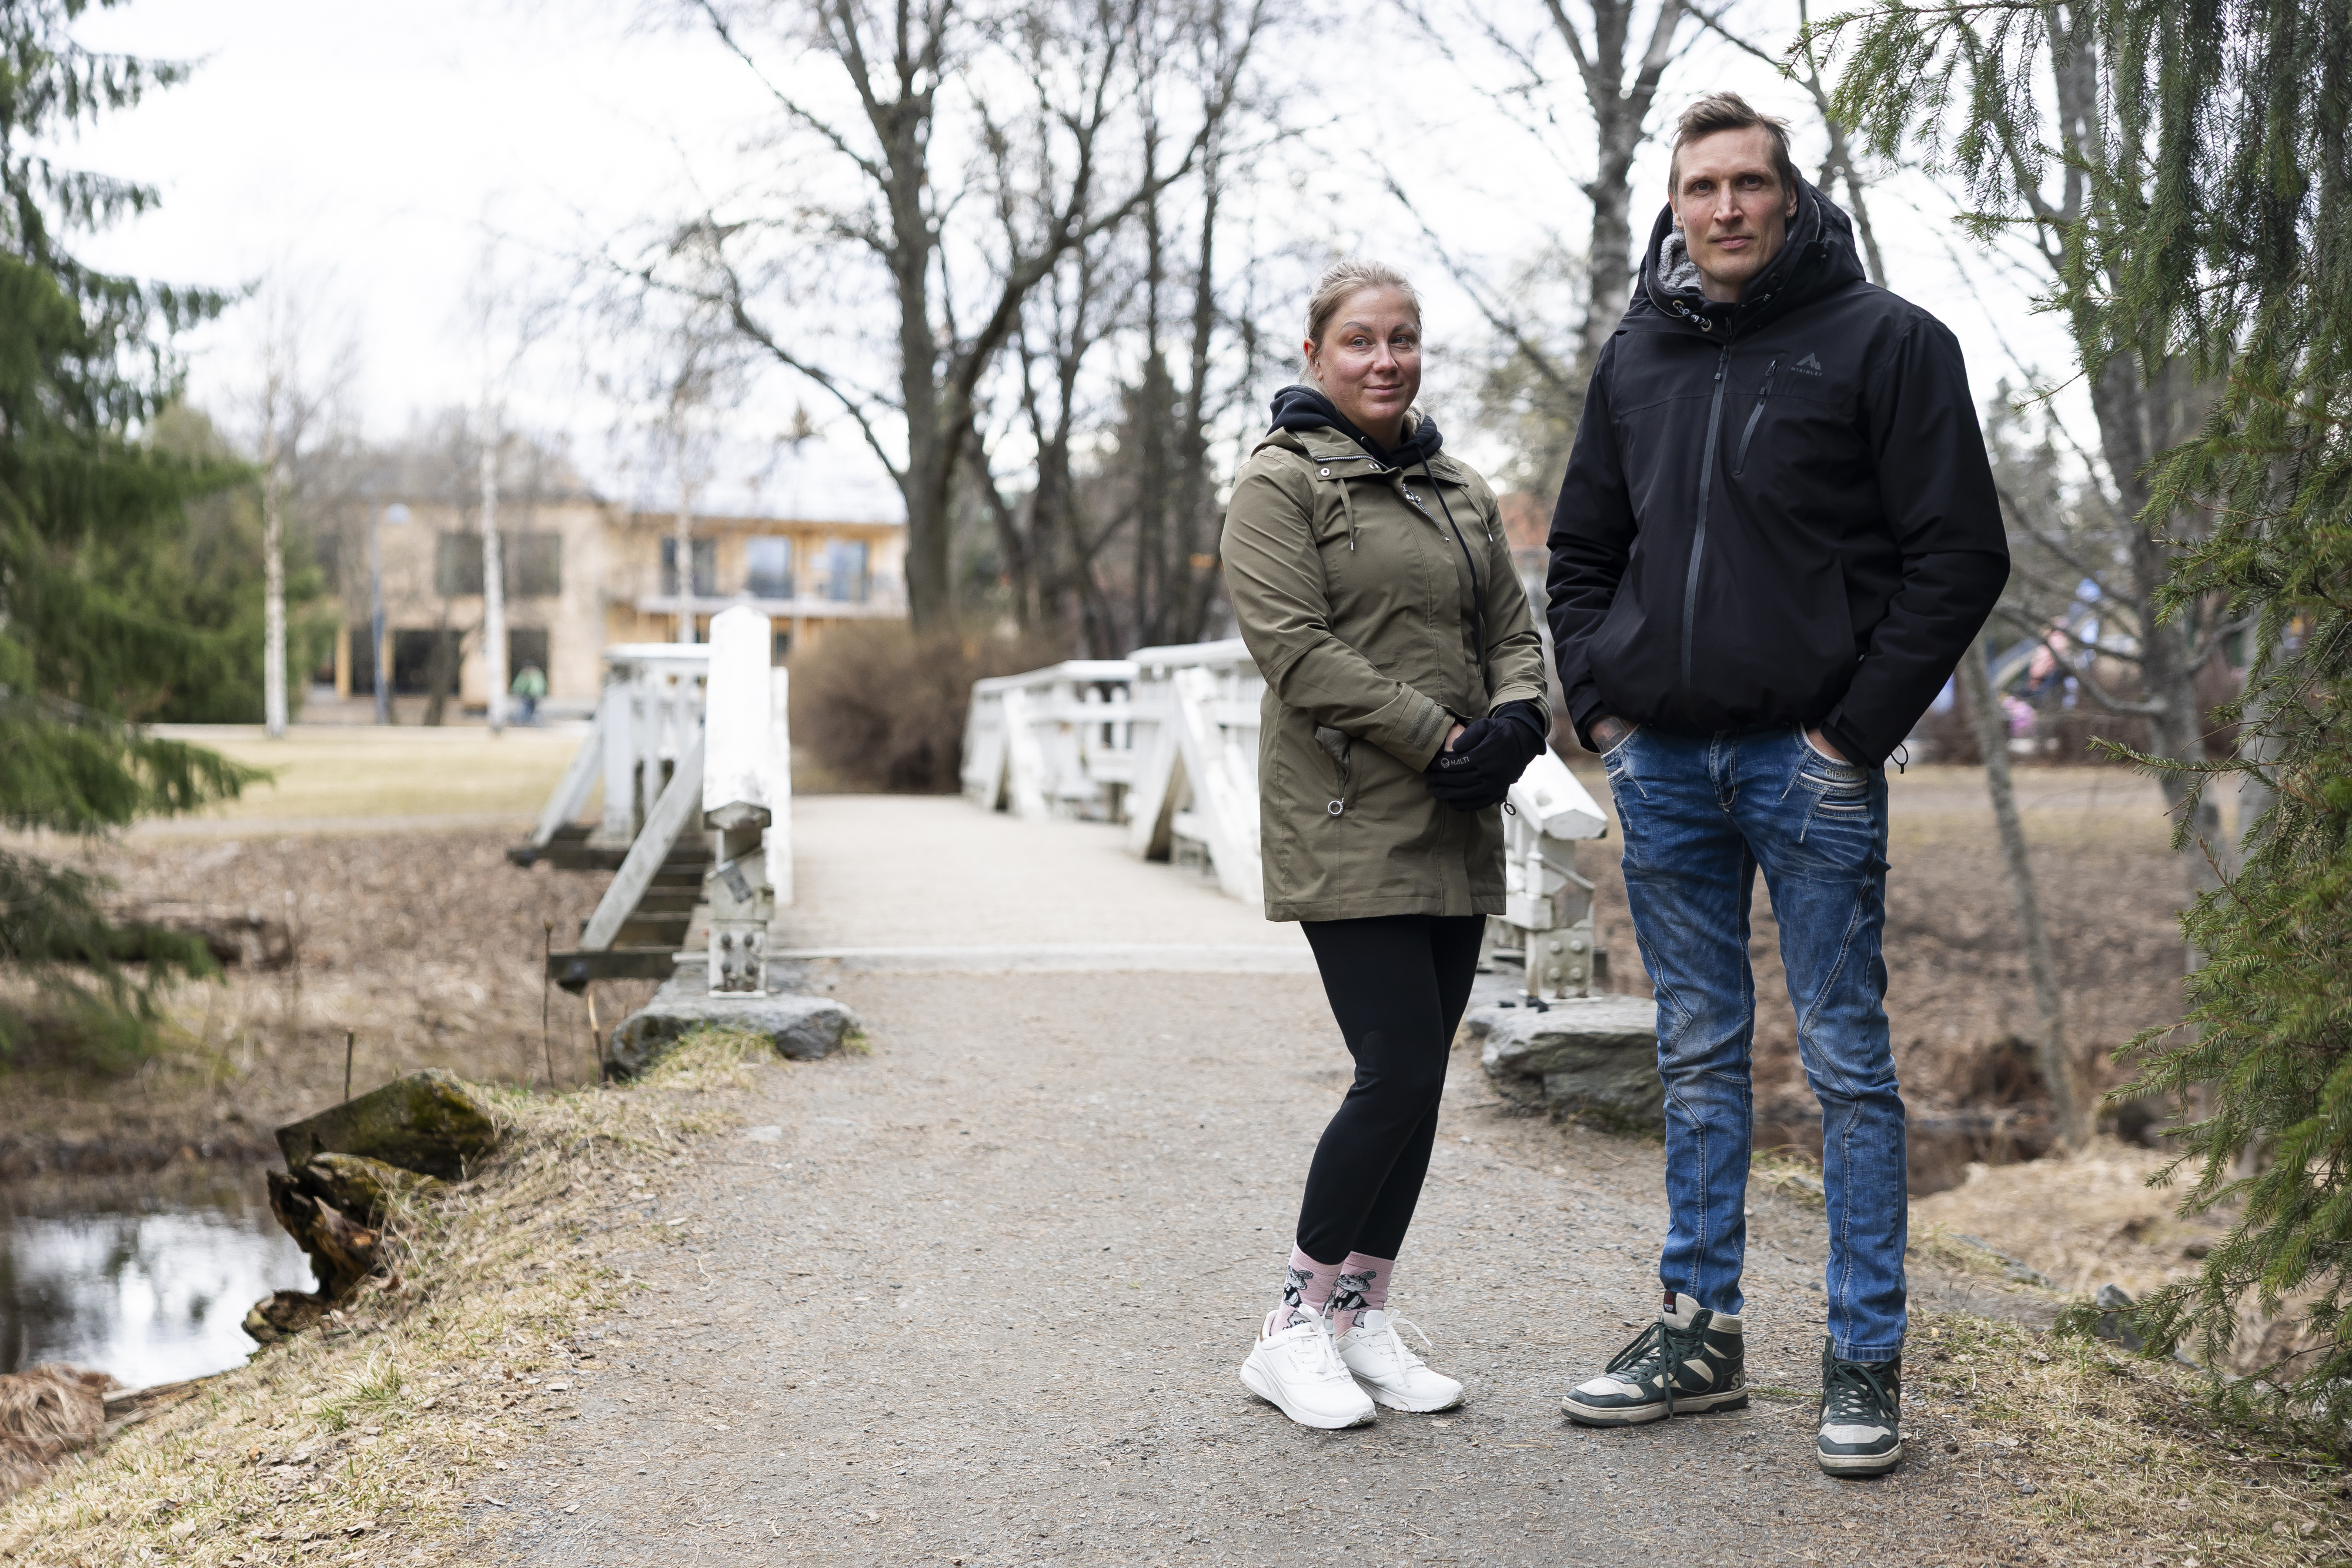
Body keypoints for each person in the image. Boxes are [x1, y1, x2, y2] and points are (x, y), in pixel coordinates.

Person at [1545, 93, 2009, 1476]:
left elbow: (1958, 556)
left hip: (1809, 767)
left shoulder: (1886, 342)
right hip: (1666, 767)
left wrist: (1851, 731)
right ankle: (1698, 1332)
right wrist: (1606, 712)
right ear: (1673, 205)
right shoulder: (1636, 355)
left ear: (1791, 199)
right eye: (1701, 187)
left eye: (1750, 184)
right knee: (1692, 1051)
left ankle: (1861, 1363)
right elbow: (1578, 555)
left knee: (1844, 1066)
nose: (1726, 207)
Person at [1221, 259, 1550, 1430]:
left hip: (1452, 813)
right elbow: (1295, 651)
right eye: (1358, 340)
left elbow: (1511, 628)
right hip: (1347, 810)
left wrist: (1518, 718)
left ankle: (1362, 1312)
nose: (1384, 359)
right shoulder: (1278, 482)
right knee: (1396, 1065)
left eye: (1402, 338)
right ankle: (1292, 1319)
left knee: (1420, 1084)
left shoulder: (1455, 483)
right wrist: (1436, 734)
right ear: (1314, 356)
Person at [510, 661, 547, 725]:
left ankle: (530, 722)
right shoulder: (535, 674)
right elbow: (521, 684)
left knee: (531, 709)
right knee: (528, 709)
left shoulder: (533, 675)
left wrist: (516, 691)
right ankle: (527, 722)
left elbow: (523, 684)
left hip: (534, 695)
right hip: (530, 695)